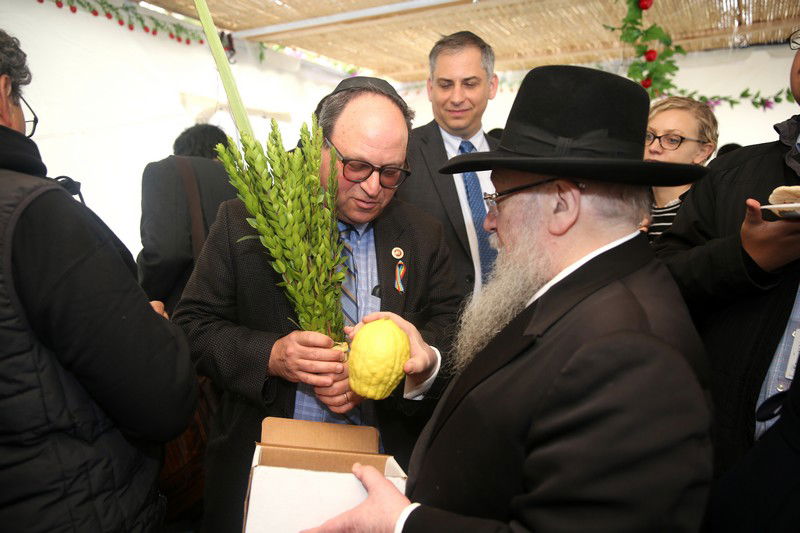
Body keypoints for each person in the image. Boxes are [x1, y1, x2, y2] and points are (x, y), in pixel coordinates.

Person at [306, 65, 712, 533]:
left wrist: (403, 522)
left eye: (499, 199)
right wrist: (429, 365)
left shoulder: (633, 353)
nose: (489, 222)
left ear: (562, 204)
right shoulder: (584, 289)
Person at [173, 76, 460, 531]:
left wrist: (416, 364)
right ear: (319, 149)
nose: (372, 188)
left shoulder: (423, 235)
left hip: (380, 478)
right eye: (357, 167)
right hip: (267, 465)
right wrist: (270, 355)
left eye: (391, 173)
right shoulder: (243, 221)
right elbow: (191, 326)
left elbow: (451, 331)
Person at [0, 28, 196, 531]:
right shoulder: (36, 214)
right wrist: (156, 331)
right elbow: (160, 400)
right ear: (3, 94)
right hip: (75, 505)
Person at [656, 29, 800, 530]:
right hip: (723, 459)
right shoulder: (737, 173)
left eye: (672, 139)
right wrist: (745, 258)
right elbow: (664, 278)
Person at [396, 31, 499, 300]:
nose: (456, 97)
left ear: (492, 86)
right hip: (435, 331)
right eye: (445, 84)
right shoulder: (402, 154)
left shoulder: (511, 157)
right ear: (430, 89)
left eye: (469, 83)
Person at [137, 123, 236, 314]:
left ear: (181, 153)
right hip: (259, 329)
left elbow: (165, 252)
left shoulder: (167, 170)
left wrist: (141, 297)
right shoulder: (248, 180)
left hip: (196, 320)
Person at [645, 96, 717, 242]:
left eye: (672, 139)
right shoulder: (625, 203)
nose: (653, 147)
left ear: (702, 152)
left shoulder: (712, 213)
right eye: (648, 135)